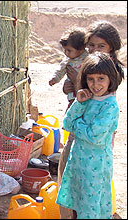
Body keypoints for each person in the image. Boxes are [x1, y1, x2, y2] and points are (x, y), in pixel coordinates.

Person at [56, 52, 122, 219]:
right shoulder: (87, 99)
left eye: (101, 78)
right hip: (79, 163)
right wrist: (79, 102)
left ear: (110, 79)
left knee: (92, 208)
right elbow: (66, 124)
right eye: (91, 79)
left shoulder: (110, 106)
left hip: (95, 168)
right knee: (79, 204)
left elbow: (94, 136)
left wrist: (77, 125)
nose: (95, 84)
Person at [49, 27, 89, 109]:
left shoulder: (88, 58)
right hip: (71, 90)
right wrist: (55, 79)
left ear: (81, 49)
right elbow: (61, 70)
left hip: (86, 90)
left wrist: (78, 80)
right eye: (65, 50)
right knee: (72, 106)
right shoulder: (68, 60)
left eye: (69, 50)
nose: (66, 53)